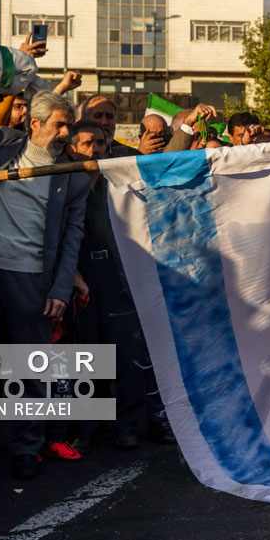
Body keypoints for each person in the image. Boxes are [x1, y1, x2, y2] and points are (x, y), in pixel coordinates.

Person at [0, 90, 90, 481]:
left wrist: (61, 289)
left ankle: (27, 448)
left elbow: (73, 235)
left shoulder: (72, 175)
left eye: (69, 125)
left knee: (32, 371)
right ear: (34, 123)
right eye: (59, 124)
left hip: (32, 279)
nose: (65, 132)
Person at [66, 121, 177, 452]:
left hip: (117, 276)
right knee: (86, 357)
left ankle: (127, 427)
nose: (94, 149)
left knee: (127, 355)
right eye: (86, 143)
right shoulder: (62, 185)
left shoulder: (119, 183)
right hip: (78, 277)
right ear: (71, 147)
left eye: (100, 143)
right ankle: (86, 429)